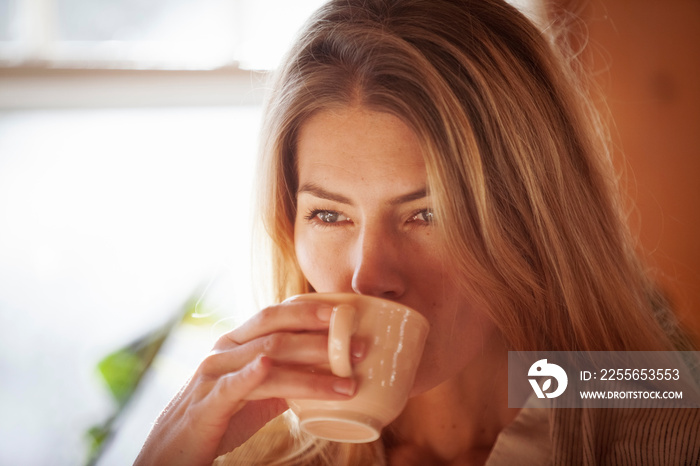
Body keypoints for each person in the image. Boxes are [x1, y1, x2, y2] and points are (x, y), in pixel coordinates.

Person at [136, 0, 700, 464]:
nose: (368, 274)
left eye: (429, 214)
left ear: (533, 221)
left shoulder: (659, 416)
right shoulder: (244, 455)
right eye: (329, 215)